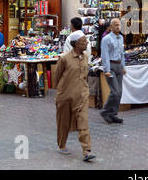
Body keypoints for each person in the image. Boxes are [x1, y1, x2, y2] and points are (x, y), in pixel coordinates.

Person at [54, 33, 96, 162]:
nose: (87, 43)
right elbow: (56, 77)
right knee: (63, 123)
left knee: (83, 122)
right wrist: (62, 92)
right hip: (65, 96)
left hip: (82, 96)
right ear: (76, 43)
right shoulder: (65, 58)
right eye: (84, 41)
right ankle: (62, 145)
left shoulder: (86, 57)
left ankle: (87, 150)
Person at [100, 18, 126, 124]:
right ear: (110, 27)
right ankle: (105, 111)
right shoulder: (106, 39)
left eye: (119, 25)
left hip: (119, 66)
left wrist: (123, 66)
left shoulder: (121, 38)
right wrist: (106, 69)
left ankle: (113, 114)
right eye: (115, 25)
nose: (118, 27)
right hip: (111, 66)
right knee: (115, 92)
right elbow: (104, 55)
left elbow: (122, 53)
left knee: (119, 92)